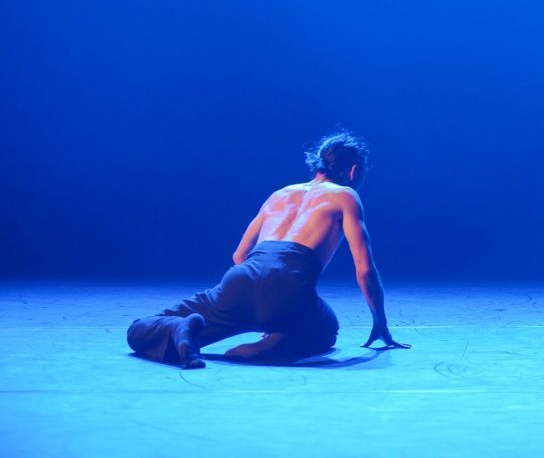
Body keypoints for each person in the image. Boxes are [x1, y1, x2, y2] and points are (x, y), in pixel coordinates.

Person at [127, 130, 408, 368]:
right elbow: (364, 269)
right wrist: (380, 322)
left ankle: (177, 327)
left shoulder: (280, 194)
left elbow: (239, 255)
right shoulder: (346, 196)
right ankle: (271, 345)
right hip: (288, 288)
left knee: (141, 329)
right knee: (327, 328)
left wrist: (249, 299)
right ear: (353, 170)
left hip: (240, 280)